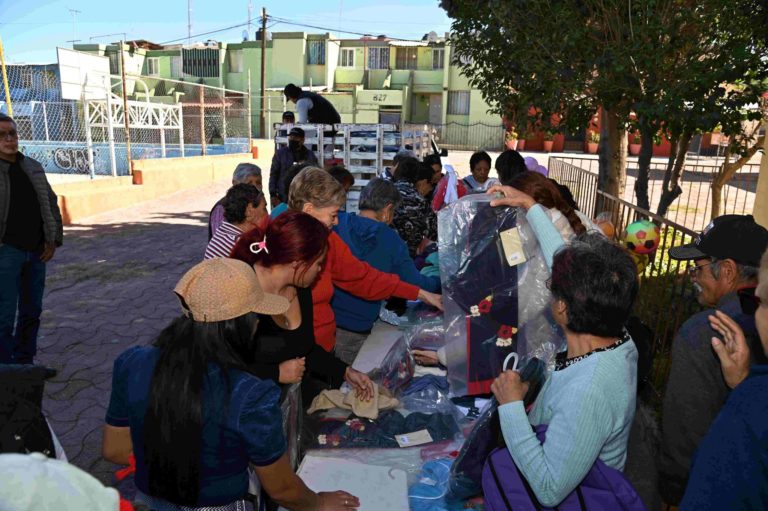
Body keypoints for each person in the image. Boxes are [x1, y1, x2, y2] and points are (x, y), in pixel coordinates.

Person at [102, 258, 359, 511]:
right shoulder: (250, 394)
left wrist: (172, 451)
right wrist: (318, 503)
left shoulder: (132, 362)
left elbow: (115, 449)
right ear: (241, 323)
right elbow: (281, 489)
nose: (259, 323)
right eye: (257, 316)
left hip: (149, 502)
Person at [491, 233, 639, 507]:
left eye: (552, 286)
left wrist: (511, 406)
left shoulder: (588, 390)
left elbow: (549, 489)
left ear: (561, 307)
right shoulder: (616, 334)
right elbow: (571, 268)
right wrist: (530, 206)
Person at [658, 214, 768, 506]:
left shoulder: (704, 332)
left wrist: (672, 494)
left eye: (699, 269)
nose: (694, 278)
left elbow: (683, 436)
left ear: (728, 271)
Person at [286, 167, 442, 358]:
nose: (336, 222)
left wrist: (421, 294)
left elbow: (362, 277)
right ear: (309, 210)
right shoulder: (284, 244)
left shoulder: (328, 239)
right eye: (333, 215)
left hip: (322, 351)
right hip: (300, 355)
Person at [230, 211, 374, 399]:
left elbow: (304, 348)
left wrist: (345, 371)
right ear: (298, 264)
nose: (321, 270)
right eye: (318, 264)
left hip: (291, 406)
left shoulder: (301, 287)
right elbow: (222, 370)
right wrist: (275, 374)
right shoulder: (240, 293)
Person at [680, 248, 768, 510]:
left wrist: (747, 395)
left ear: (728, 271)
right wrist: (741, 383)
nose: (754, 313)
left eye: (760, 301)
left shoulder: (698, 333)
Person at [332, 179, 442, 364]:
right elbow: (413, 281)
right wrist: (441, 281)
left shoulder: (337, 223)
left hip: (329, 323)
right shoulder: (390, 239)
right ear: (387, 210)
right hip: (357, 329)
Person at [0, 113, 63, 365]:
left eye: (12, 133)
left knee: (32, 312)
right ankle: (6, 370)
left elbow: (51, 203)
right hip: (7, 253)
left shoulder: (32, 167)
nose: (9, 138)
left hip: (37, 253)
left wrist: (53, 240)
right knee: (4, 316)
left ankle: (26, 363)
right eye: (2, 134)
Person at [204, 184, 267, 260]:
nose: (267, 214)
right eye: (264, 208)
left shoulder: (223, 231)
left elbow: (259, 246)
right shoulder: (240, 244)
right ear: (249, 211)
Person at [391, 158, 438, 258]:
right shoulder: (419, 200)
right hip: (406, 259)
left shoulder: (384, 191)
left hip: (381, 254)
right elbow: (434, 232)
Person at [208, 163, 263, 240]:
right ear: (235, 183)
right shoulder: (221, 209)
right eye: (249, 183)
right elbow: (223, 243)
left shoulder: (257, 205)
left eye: (258, 183)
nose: (255, 187)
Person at [269, 127, 318, 209]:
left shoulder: (309, 155)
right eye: (291, 137)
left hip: (302, 198)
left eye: (295, 137)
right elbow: (273, 174)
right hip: (282, 198)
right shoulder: (281, 154)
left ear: (302, 140)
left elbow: (314, 176)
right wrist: (273, 194)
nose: (292, 139)